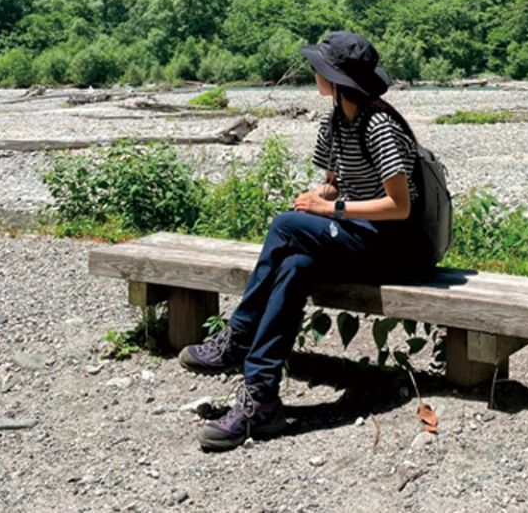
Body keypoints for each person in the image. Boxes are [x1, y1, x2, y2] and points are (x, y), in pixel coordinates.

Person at [178, 30, 435, 451]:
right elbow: (337, 183)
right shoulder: (335, 120)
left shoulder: (379, 125)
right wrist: (320, 196)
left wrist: (331, 211)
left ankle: (237, 337)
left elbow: (399, 206)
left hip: (397, 248)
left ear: (336, 78)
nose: (314, 72)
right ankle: (261, 398)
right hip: (360, 236)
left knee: (284, 226)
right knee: (295, 267)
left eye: (319, 67)